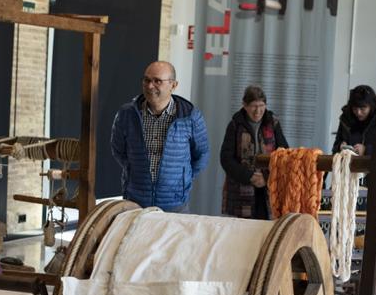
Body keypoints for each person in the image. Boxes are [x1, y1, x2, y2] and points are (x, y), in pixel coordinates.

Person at [110, 61, 210, 212]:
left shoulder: (190, 117)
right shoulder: (127, 114)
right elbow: (118, 150)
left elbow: (202, 154)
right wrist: (133, 170)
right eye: (147, 80)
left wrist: (183, 179)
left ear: (173, 85)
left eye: (157, 81)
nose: (150, 86)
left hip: (175, 205)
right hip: (135, 203)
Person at [220, 85, 288, 219]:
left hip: (268, 188)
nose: (258, 111)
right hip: (241, 188)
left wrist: (266, 177)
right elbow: (226, 159)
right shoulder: (235, 125)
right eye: (253, 106)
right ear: (244, 105)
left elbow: (284, 154)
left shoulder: (273, 123)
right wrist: (249, 176)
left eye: (261, 105)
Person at [332, 84, 376, 157]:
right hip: (349, 166)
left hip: (375, 167)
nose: (358, 112)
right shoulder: (346, 120)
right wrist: (339, 147)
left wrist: (366, 150)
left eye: (363, 109)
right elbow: (334, 149)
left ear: (372, 106)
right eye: (355, 109)